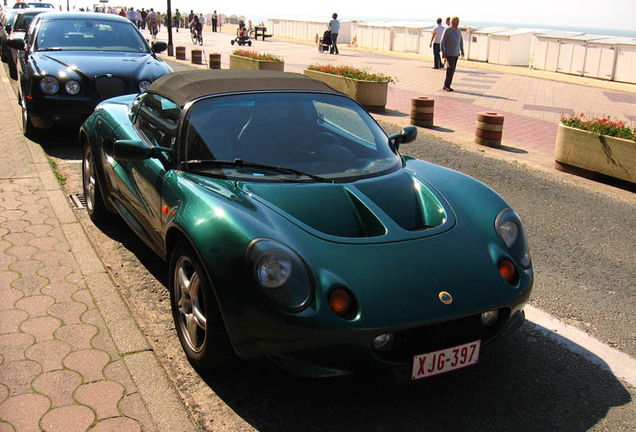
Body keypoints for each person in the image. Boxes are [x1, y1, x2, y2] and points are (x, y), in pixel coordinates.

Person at [440, 16, 464, 91]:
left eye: (458, 22)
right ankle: (446, 85)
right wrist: (443, 52)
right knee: (450, 69)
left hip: (456, 53)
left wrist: (462, 50)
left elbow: (461, 41)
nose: (457, 23)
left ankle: (448, 84)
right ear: (452, 22)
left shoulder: (459, 31)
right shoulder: (448, 30)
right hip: (449, 53)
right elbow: (442, 41)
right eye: (455, 22)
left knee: (453, 70)